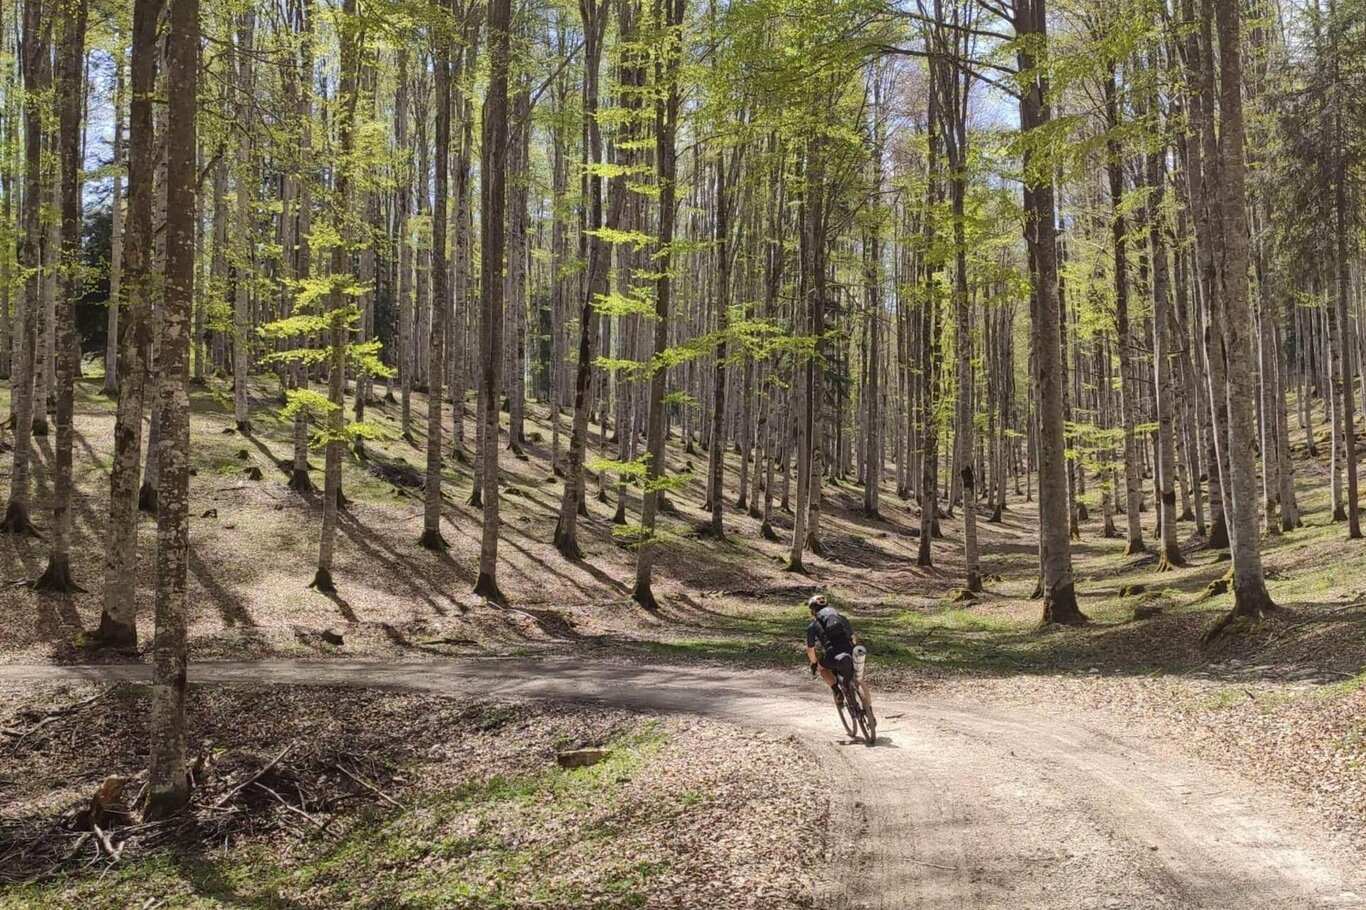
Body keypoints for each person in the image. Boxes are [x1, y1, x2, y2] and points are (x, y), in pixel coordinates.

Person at [805, 594, 857, 705]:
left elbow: (810, 649)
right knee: (858, 677)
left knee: (822, 668)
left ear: (813, 611)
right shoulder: (841, 618)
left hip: (832, 653)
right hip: (849, 651)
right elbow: (853, 638)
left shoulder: (813, 625)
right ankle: (867, 707)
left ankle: (836, 691)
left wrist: (814, 663)